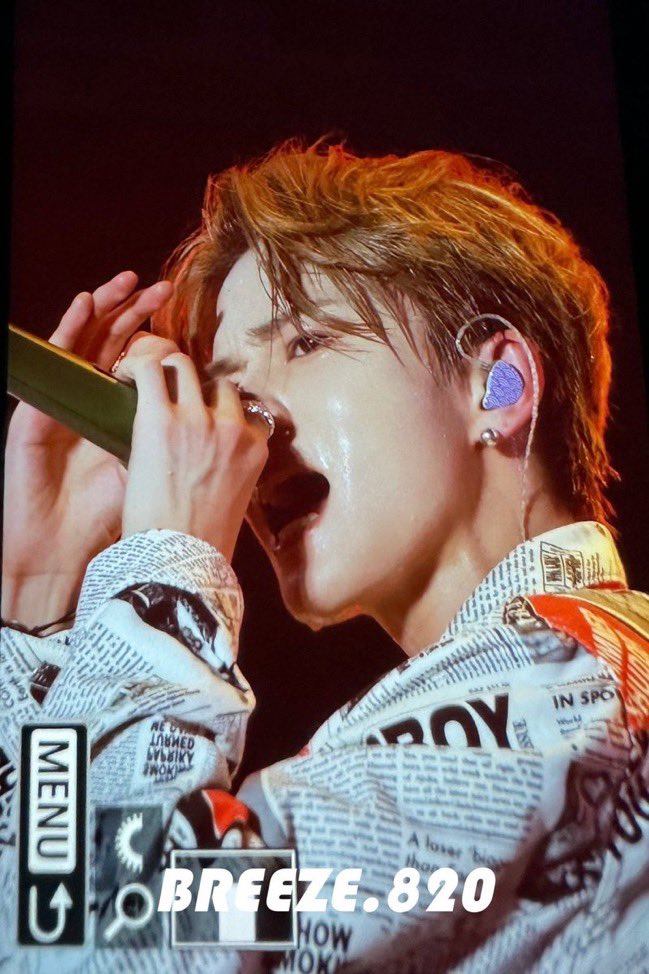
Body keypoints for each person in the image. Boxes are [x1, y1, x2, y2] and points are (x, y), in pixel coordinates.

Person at [2, 141, 648, 972]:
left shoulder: (567, 692)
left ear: (500, 388)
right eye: (228, 386)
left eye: (305, 342)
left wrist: (165, 569)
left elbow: (98, 950)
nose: (251, 419)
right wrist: (41, 608)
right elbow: (45, 927)